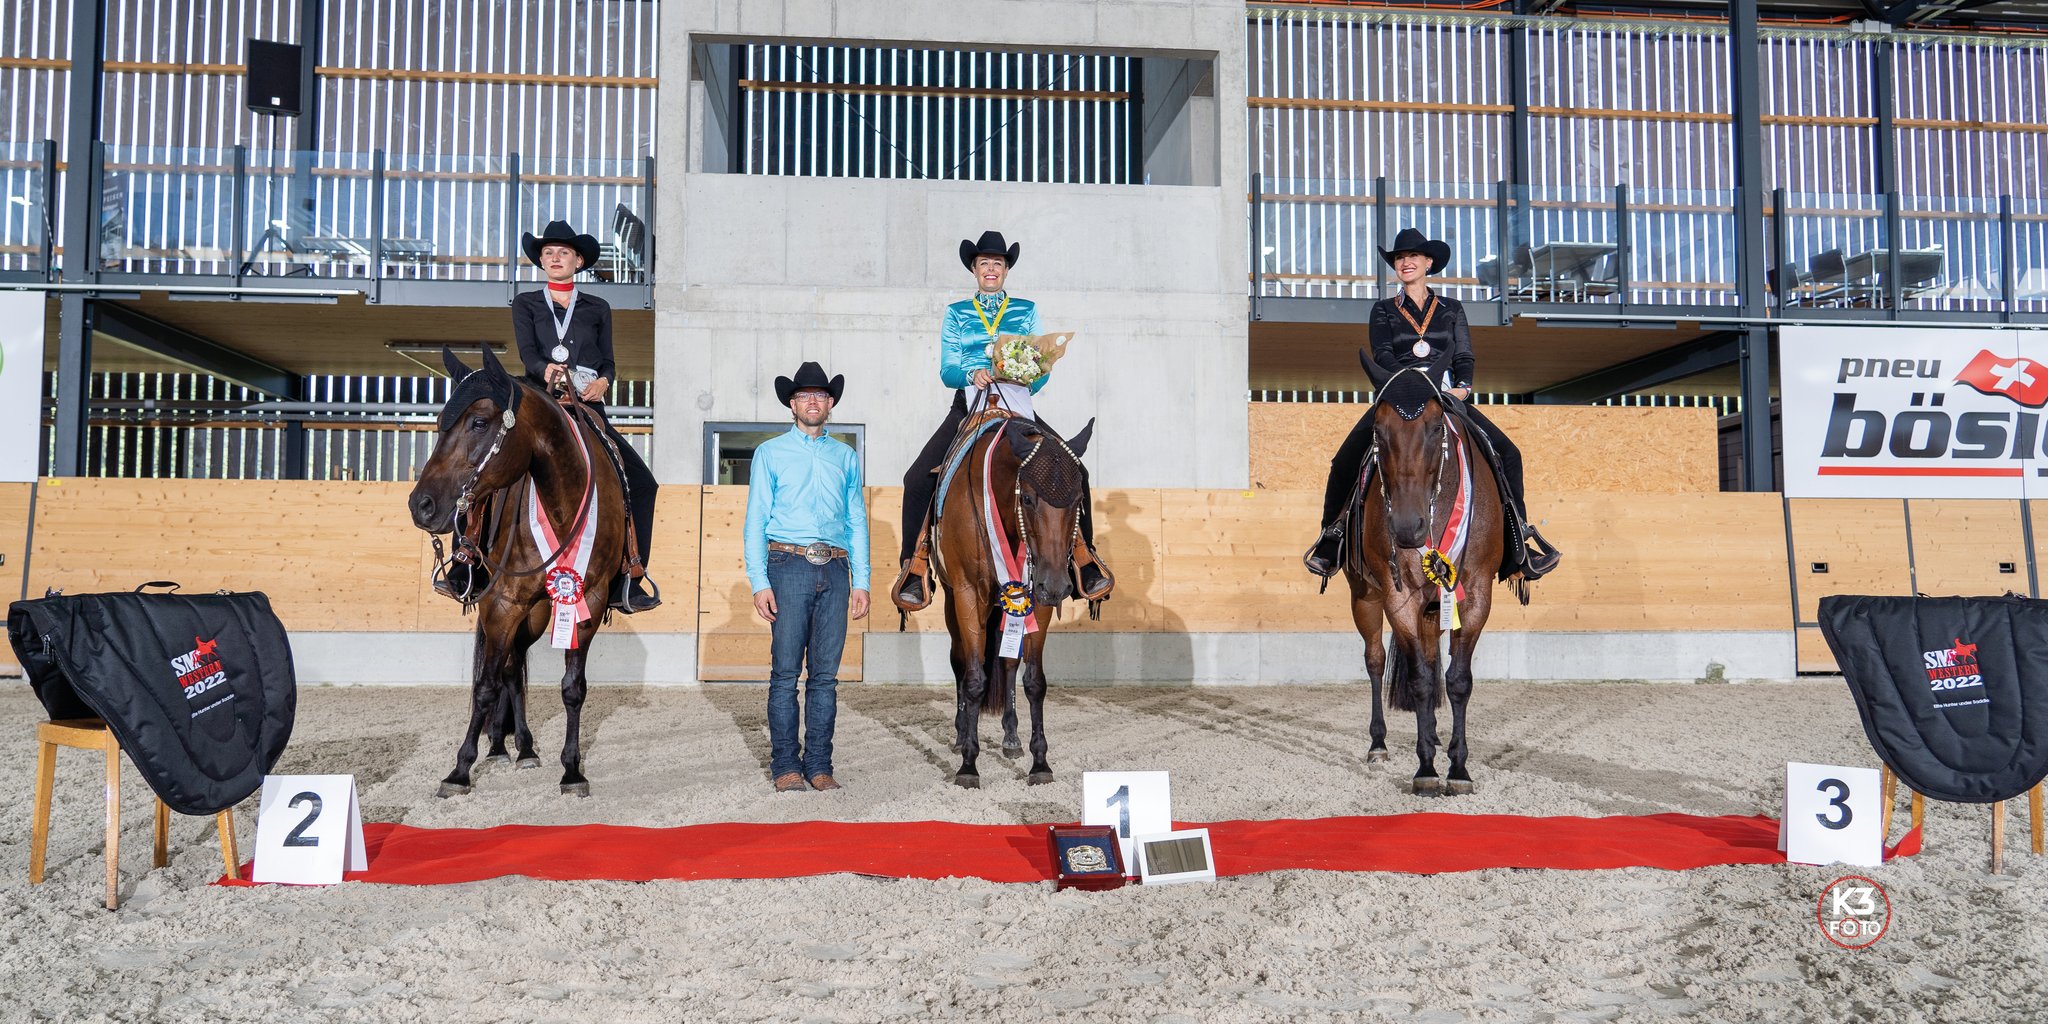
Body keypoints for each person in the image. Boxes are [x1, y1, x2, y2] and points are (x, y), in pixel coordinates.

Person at [1303, 227, 1560, 587]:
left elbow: (1464, 355)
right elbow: (1384, 356)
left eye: (1412, 257)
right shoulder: (1383, 311)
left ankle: (1519, 542)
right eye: (1398, 258)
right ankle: (1331, 539)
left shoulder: (1452, 309)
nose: (1405, 263)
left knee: (1509, 453)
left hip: (1444, 397)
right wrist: (1410, 383)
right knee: (1345, 460)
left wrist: (1463, 388)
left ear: (1428, 263)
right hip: (1397, 394)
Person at [891, 230, 1112, 609]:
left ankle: (1084, 558)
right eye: (983, 264)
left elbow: (1041, 370)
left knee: (1076, 470)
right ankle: (915, 566)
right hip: (969, 406)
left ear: (1006, 270)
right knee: (915, 479)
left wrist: (1024, 372)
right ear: (974, 271)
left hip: (1018, 407)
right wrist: (969, 372)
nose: (990, 269)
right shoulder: (957, 313)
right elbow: (946, 369)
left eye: (997, 263)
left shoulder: (1025, 310)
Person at [509, 219, 660, 613]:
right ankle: (466, 563)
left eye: (563, 253)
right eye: (548, 253)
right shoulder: (526, 303)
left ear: (578, 261)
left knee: (643, 484)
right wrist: (549, 372)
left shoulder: (598, 307)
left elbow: (607, 359)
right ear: (541, 261)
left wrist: (605, 382)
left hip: (587, 406)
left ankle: (629, 575)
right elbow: (528, 354)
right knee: (489, 465)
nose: (555, 258)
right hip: (542, 402)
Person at [745, 361, 872, 793]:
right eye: (804, 396)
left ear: (830, 403)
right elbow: (755, 520)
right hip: (788, 566)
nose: (812, 401)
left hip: (835, 569)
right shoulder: (770, 453)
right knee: (784, 674)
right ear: (792, 404)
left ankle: (819, 764)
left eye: (820, 395)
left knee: (824, 677)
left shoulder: (846, 457)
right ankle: (785, 766)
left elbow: (856, 518)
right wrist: (758, 581)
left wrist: (862, 579)